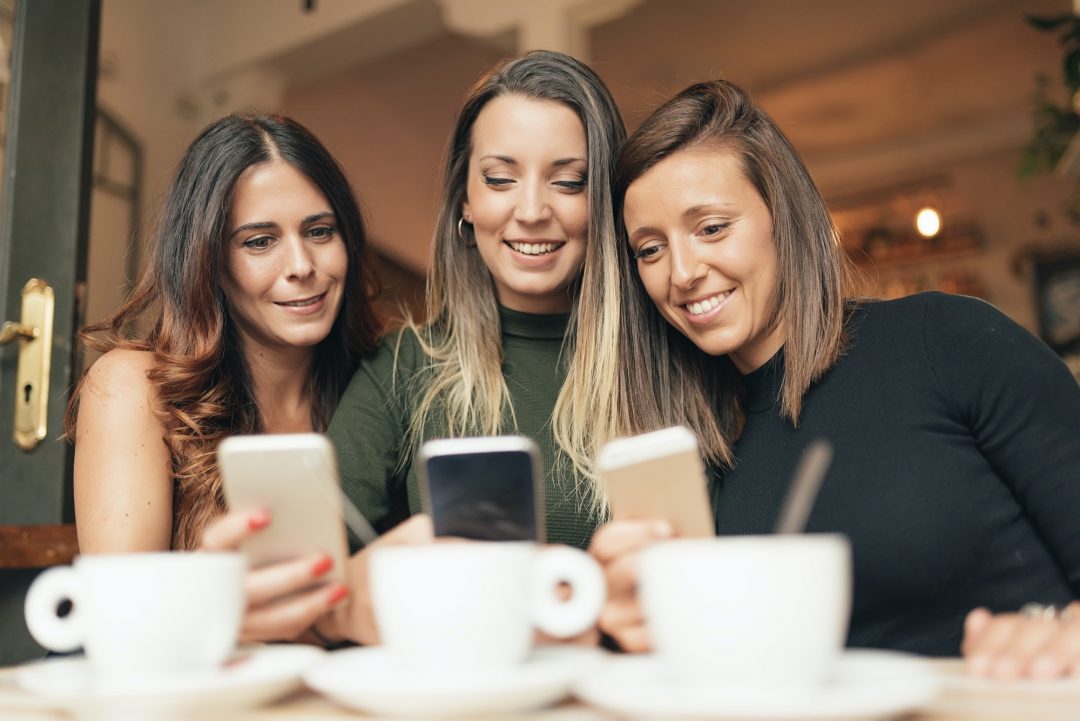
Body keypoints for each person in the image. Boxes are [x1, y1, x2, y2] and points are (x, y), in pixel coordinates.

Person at [590, 79, 1080, 677]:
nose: (683, 272)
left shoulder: (946, 340)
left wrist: (1060, 635)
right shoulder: (698, 456)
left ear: (783, 219)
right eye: (650, 249)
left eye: (712, 228)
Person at [208, 50, 630, 645]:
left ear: (607, 199)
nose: (532, 211)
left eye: (570, 182)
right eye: (500, 178)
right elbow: (296, 591)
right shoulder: (403, 367)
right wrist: (329, 595)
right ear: (465, 199)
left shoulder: (669, 362)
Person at [67, 113, 382, 640]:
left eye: (320, 231)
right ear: (208, 261)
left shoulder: (375, 387)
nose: (301, 264)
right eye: (260, 241)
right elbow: (118, 623)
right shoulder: (133, 386)